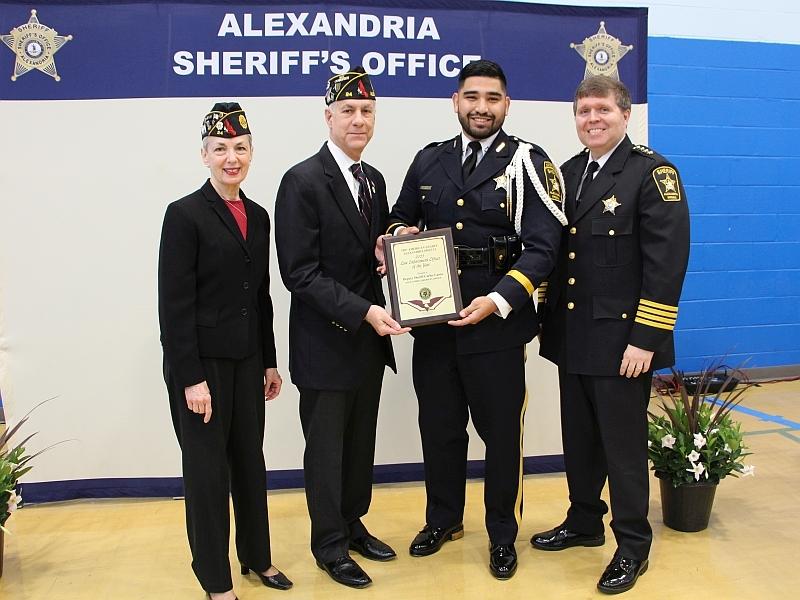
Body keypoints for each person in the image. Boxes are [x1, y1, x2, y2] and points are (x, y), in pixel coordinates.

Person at [380, 59, 564, 579]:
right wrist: (397, 237)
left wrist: (500, 299)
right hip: (434, 325)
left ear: (507, 105)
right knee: (439, 430)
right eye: (472, 97)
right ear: (455, 102)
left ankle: (502, 534)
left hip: (497, 327)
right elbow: (402, 215)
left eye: (492, 98)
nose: (481, 107)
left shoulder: (528, 161)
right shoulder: (429, 159)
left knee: (502, 436)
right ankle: (444, 519)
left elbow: (544, 246)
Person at [532, 75, 690, 594]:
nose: (592, 119)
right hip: (573, 334)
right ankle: (583, 522)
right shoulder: (568, 172)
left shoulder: (652, 173)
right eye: (583, 111)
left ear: (625, 114)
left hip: (624, 342)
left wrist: (646, 339)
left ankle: (632, 544)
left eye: (602, 109)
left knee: (622, 449)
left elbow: (666, 266)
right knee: (579, 443)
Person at [274, 68, 408, 589]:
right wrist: (364, 312)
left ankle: (353, 524)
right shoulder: (302, 180)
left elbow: (367, 250)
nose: (358, 120)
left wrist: (390, 247)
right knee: (326, 451)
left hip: (367, 346)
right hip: (328, 342)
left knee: (359, 446)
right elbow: (299, 273)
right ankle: (328, 544)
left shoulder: (372, 179)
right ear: (328, 116)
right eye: (348, 111)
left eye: (367, 111)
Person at [158, 103, 292, 600]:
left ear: (251, 153)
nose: (230, 158)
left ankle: (258, 558)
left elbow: (260, 297)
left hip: (247, 361)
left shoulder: (257, 216)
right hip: (202, 367)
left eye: (239, 148)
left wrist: (270, 360)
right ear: (204, 155)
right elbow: (174, 307)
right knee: (208, 474)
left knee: (249, 462)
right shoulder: (184, 215)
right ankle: (216, 580)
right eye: (220, 150)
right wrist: (191, 378)